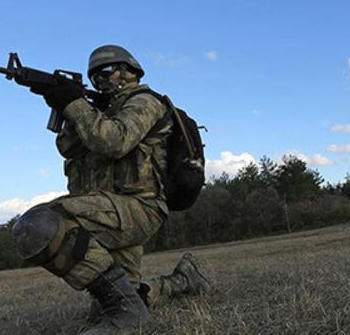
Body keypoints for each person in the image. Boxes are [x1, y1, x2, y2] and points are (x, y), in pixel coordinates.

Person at [11, 45, 209, 334]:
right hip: (110, 209)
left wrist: (75, 104)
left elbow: (115, 141)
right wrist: (66, 105)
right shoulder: (102, 112)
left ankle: (128, 312)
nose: (100, 80)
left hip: (138, 208)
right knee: (106, 307)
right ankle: (183, 281)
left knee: (39, 224)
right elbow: (69, 148)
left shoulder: (145, 102)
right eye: (94, 77)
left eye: (106, 71)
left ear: (130, 71)